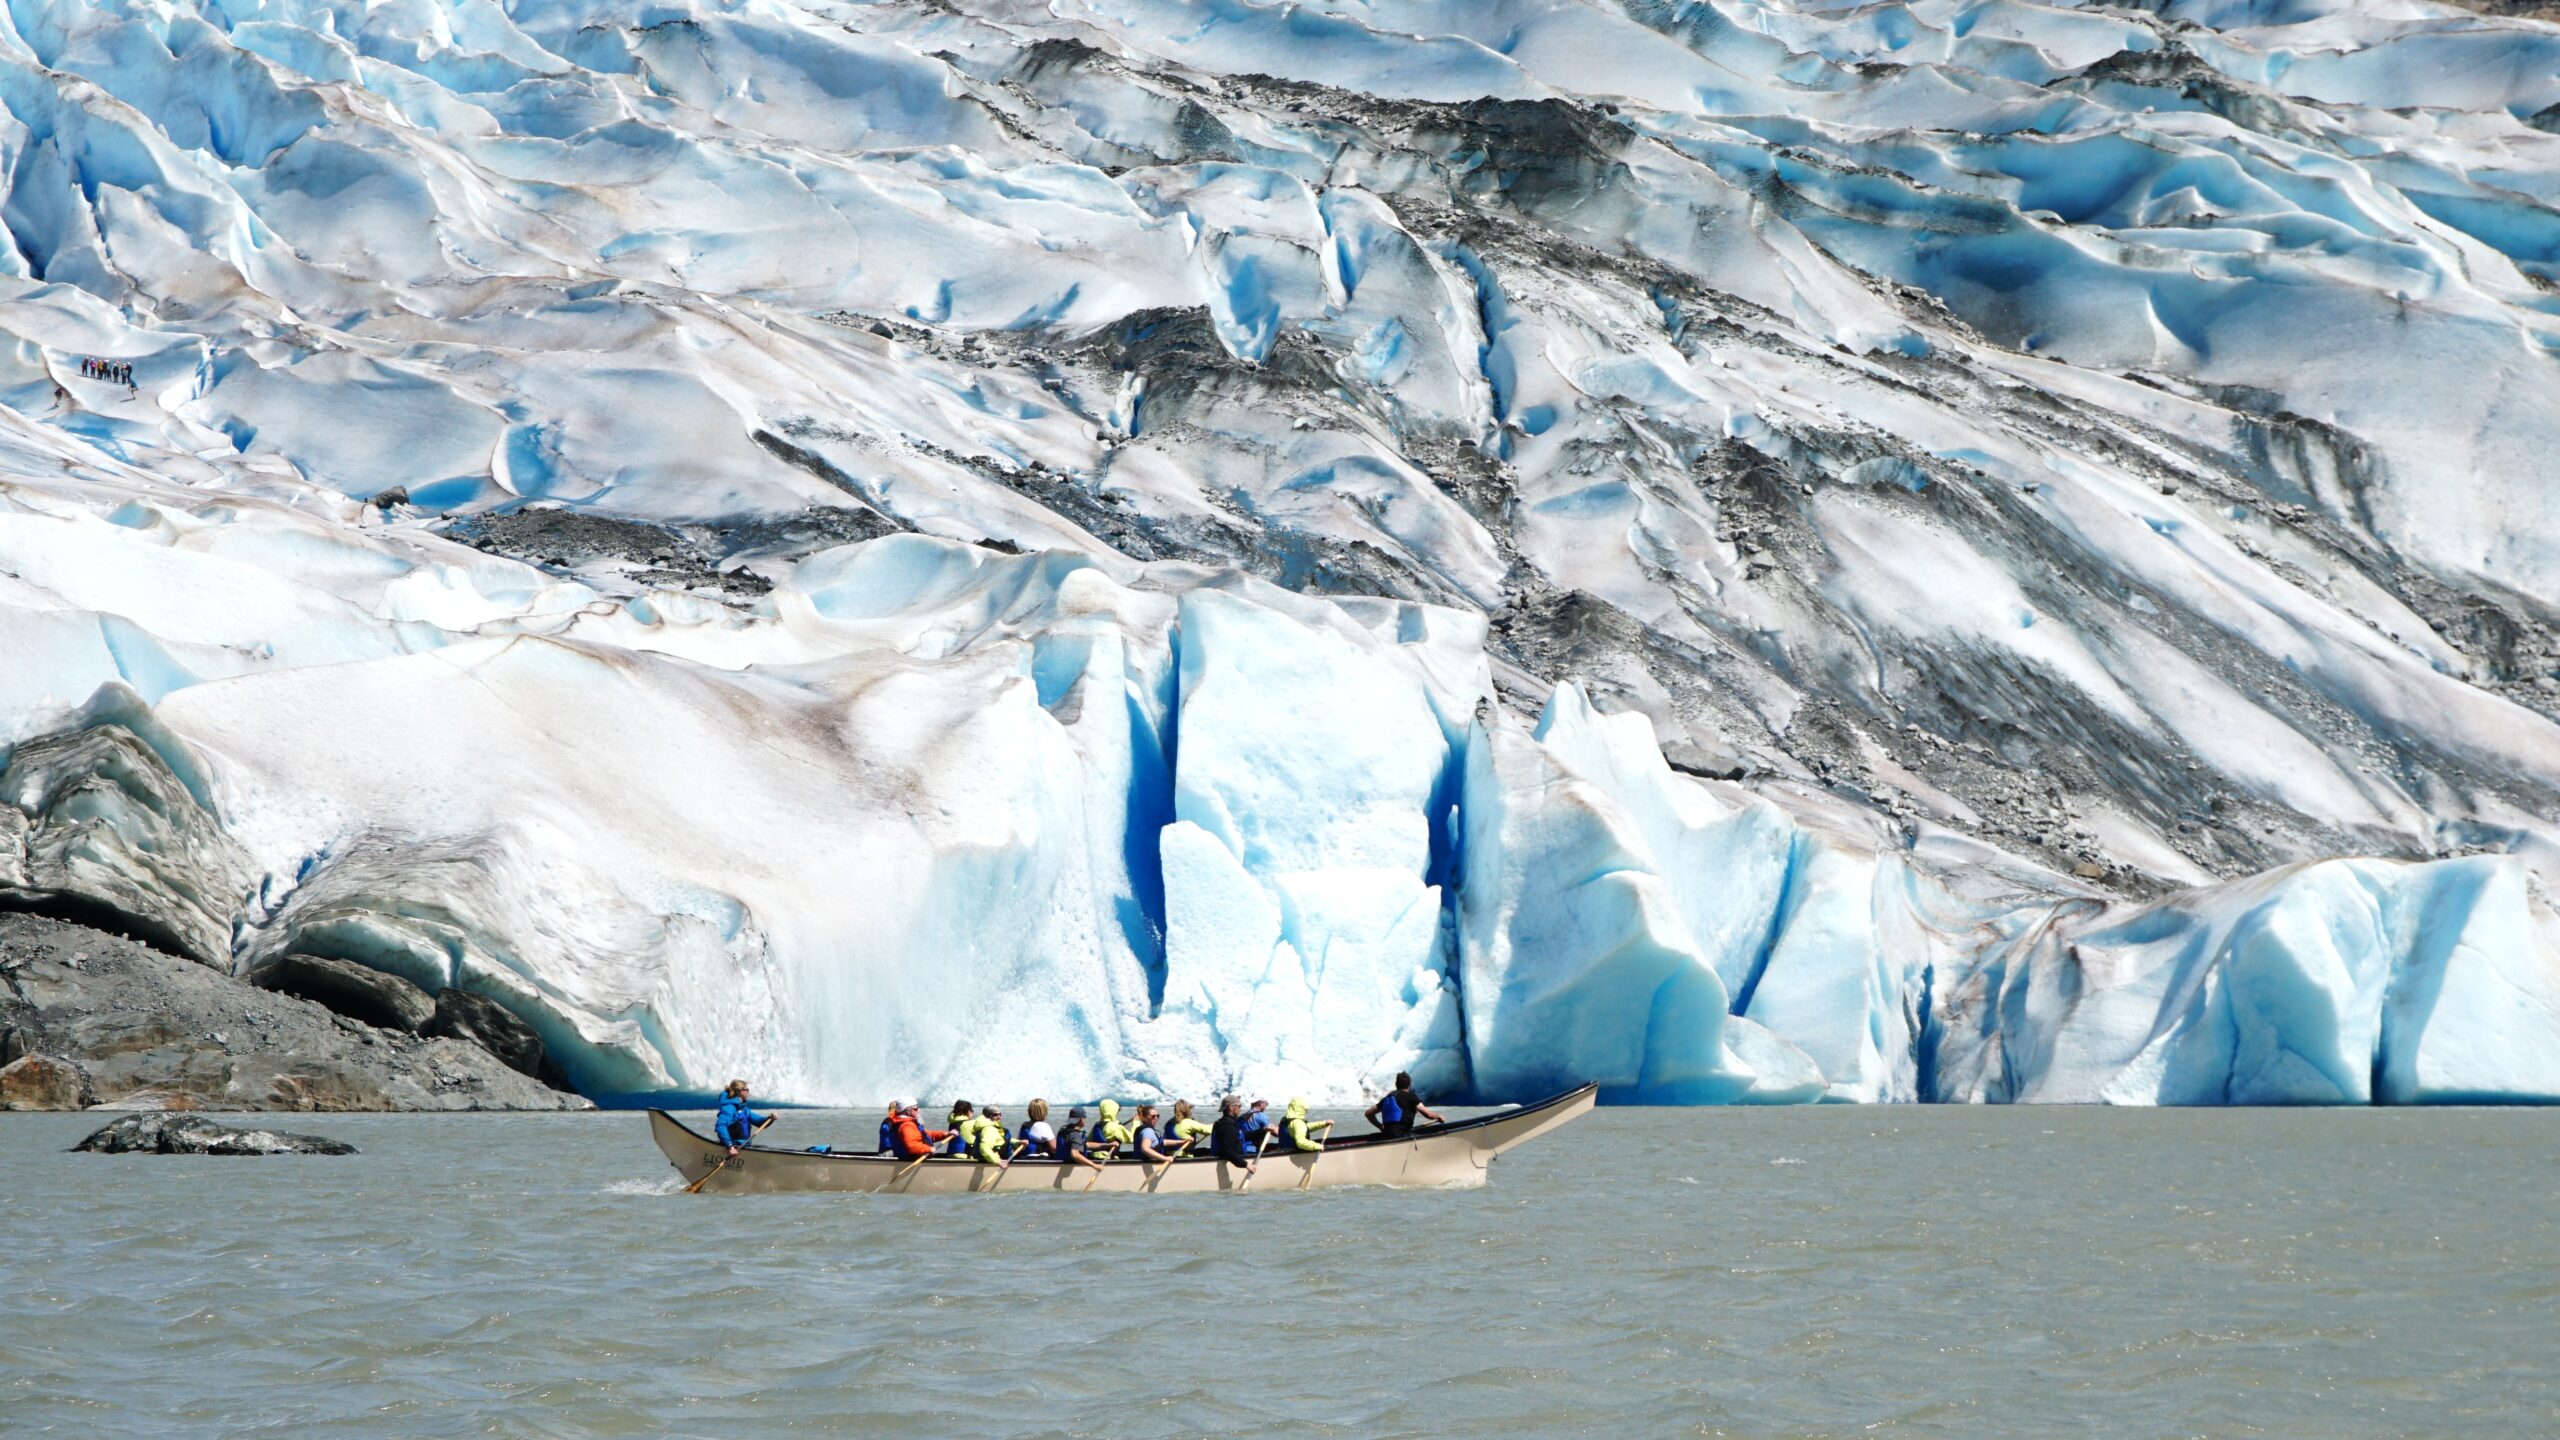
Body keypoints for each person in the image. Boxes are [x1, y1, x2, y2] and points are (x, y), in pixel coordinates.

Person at [1365, 1072, 1443, 1137]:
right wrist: (1439, 1116)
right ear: (1410, 1084)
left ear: (1396, 1084)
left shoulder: (1387, 1098)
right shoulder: (1411, 1097)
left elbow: (1368, 1113)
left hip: (1386, 1135)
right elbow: (1429, 1115)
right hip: (1402, 1135)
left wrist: (1380, 1126)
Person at [713, 1079, 771, 1154]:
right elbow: (720, 1126)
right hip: (733, 1147)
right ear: (740, 1091)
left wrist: (770, 1118)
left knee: (764, 1148)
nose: (748, 1092)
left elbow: (760, 1122)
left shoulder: (744, 1110)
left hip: (743, 1146)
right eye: (747, 1090)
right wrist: (730, 1146)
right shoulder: (729, 1108)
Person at [1209, 1095, 1257, 1180]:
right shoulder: (1227, 1126)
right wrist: (1246, 1165)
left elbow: (1239, 1137)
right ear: (1231, 1107)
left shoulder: (1228, 1124)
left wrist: (1262, 1131)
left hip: (1237, 1159)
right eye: (1239, 1106)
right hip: (1234, 1162)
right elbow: (1227, 1151)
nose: (1240, 1109)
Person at [1054, 1105, 1107, 1174]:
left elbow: (1086, 1144)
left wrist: (1108, 1145)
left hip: (1060, 1160)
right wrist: (1094, 1165)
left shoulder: (1064, 1130)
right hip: (1068, 1164)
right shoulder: (1075, 1135)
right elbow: (1075, 1154)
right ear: (1082, 1119)